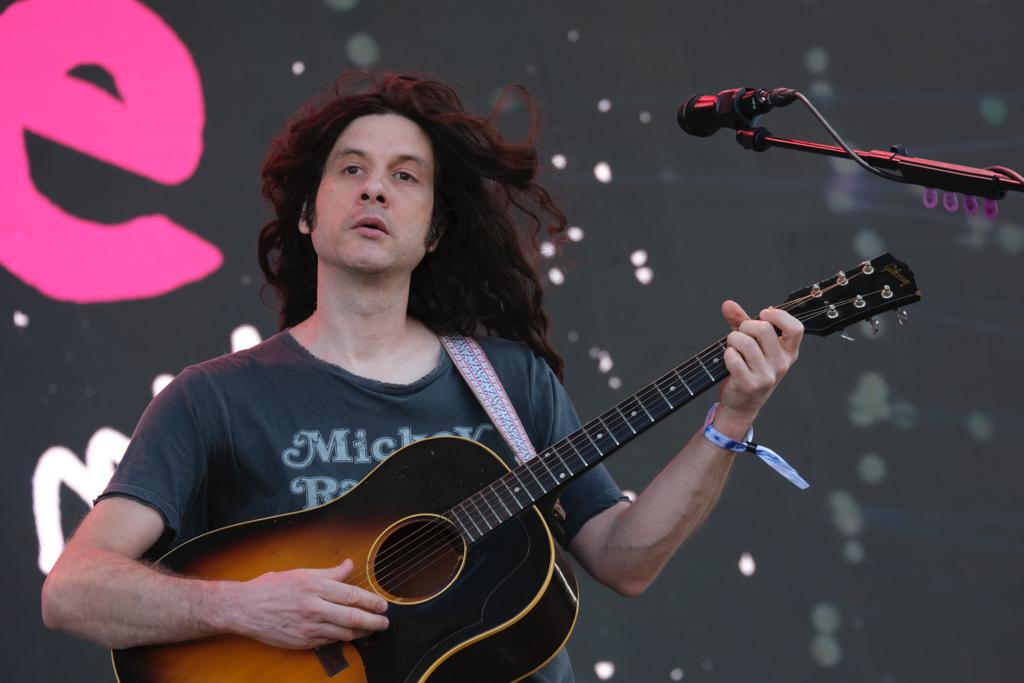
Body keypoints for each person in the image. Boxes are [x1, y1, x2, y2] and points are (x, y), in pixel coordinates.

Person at [40, 71, 803, 681]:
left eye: (405, 176)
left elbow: (624, 560)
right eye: (353, 170)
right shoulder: (213, 398)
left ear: (434, 229)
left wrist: (729, 418)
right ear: (308, 213)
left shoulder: (511, 384)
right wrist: (246, 606)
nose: (376, 189)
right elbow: (73, 589)